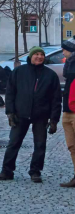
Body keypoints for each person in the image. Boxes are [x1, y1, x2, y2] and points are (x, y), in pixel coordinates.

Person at [0, 46, 62, 183]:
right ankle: (7, 170)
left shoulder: (50, 75)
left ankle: (35, 171)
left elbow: (56, 98)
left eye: (41, 54)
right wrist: (10, 112)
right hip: (20, 114)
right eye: (36, 54)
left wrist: (54, 119)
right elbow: (10, 93)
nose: (39, 57)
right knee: (13, 143)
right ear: (30, 56)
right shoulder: (19, 71)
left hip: (41, 115)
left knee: (40, 144)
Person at [60, 40, 75, 187]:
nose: (62, 53)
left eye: (64, 50)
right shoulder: (69, 62)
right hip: (67, 108)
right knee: (72, 146)